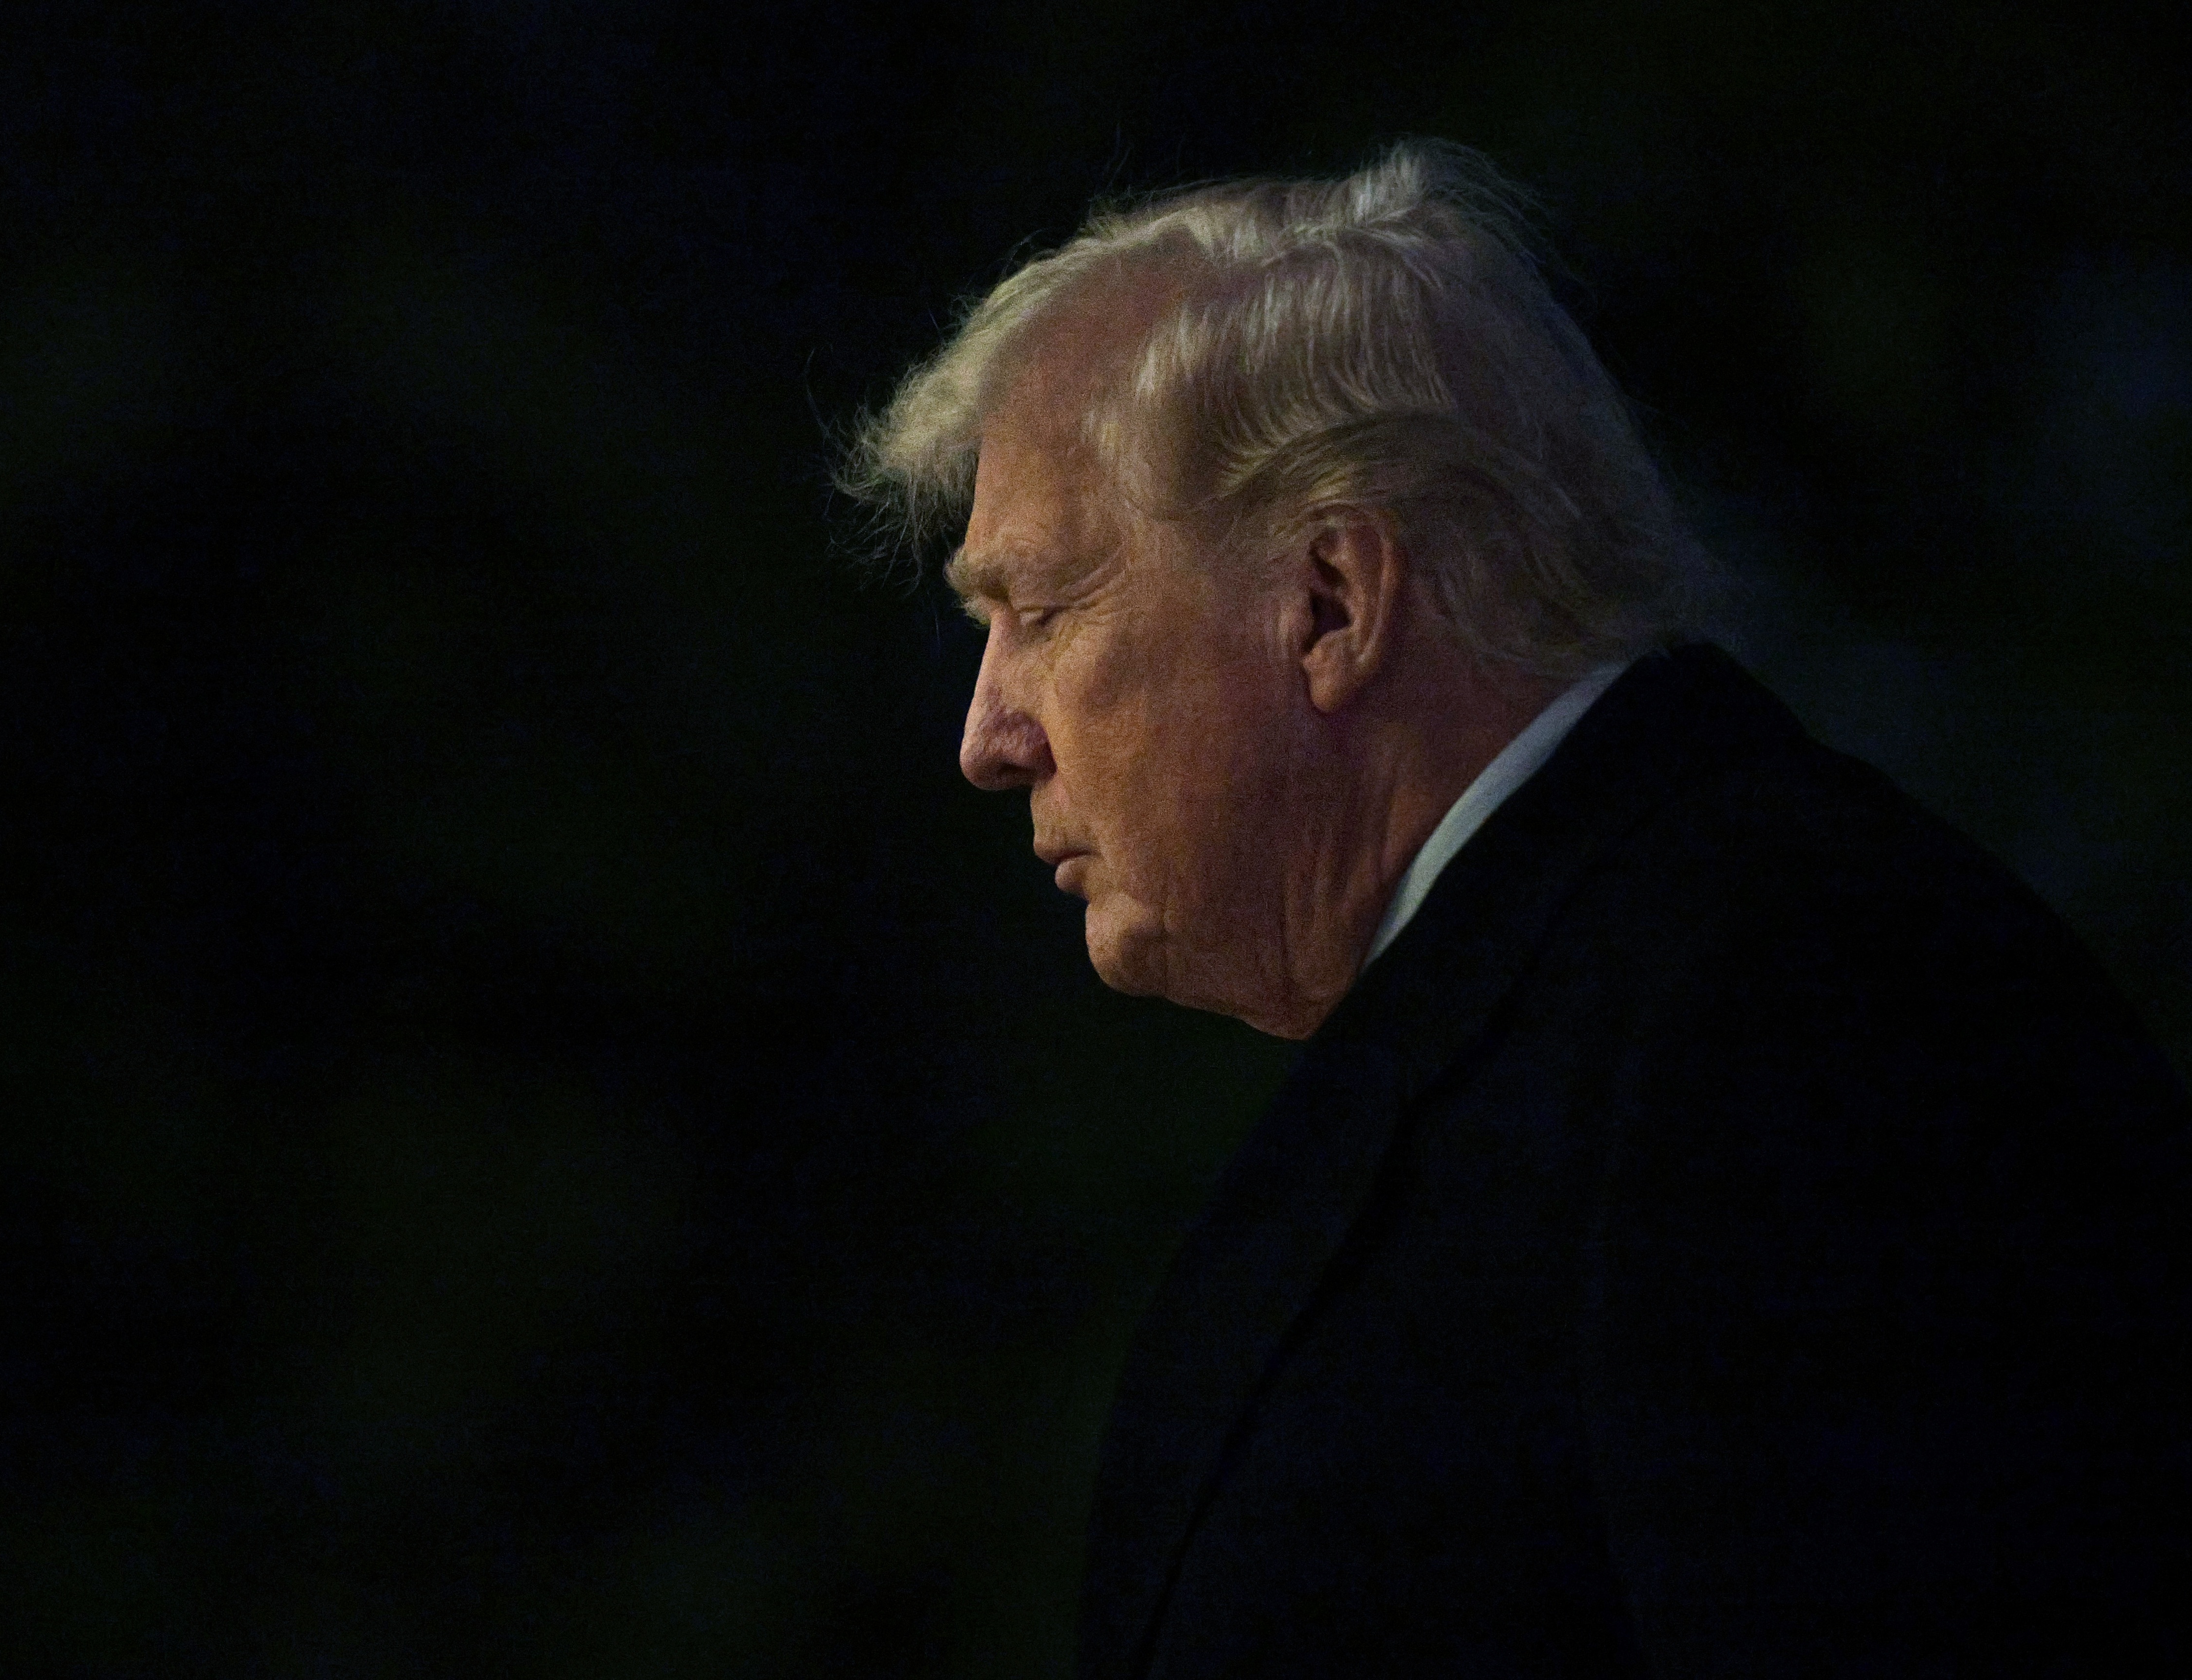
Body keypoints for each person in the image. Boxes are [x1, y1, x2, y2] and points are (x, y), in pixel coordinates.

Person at [841, 142, 2192, 1676]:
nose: (987, 736)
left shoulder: (1802, 1012)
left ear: (1332, 600)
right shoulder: (1618, 1002)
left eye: (1042, 610)